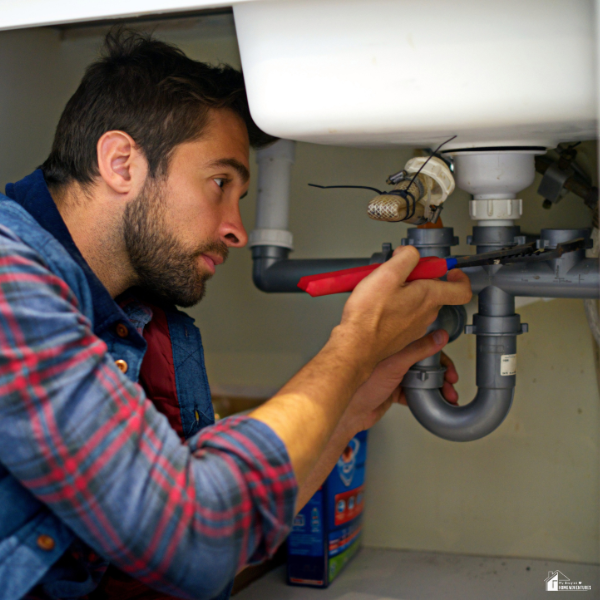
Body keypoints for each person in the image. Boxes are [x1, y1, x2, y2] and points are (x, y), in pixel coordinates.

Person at [0, 30, 471, 600]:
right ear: (121, 162)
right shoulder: (10, 281)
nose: (237, 230)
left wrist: (353, 405)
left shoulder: (139, 320)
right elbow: (193, 538)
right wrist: (354, 346)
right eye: (220, 183)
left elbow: (222, 515)